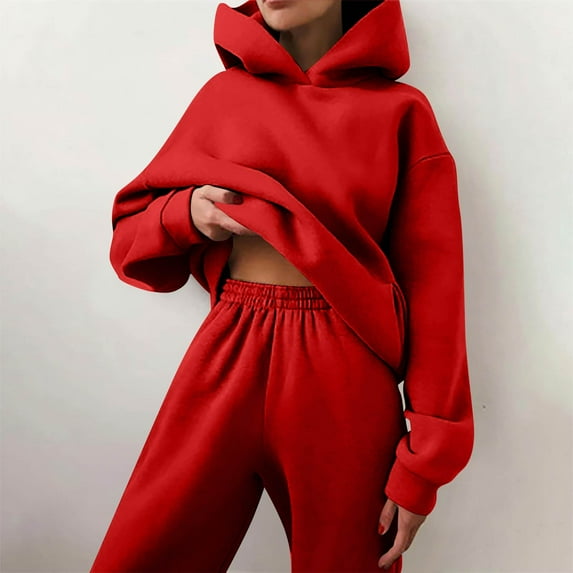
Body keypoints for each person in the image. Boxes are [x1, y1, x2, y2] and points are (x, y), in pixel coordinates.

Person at [90, 0, 475, 571]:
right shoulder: (224, 97)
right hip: (231, 346)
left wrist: (426, 463)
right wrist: (188, 213)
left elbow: (436, 290)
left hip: (346, 369)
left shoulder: (401, 112)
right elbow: (128, 240)